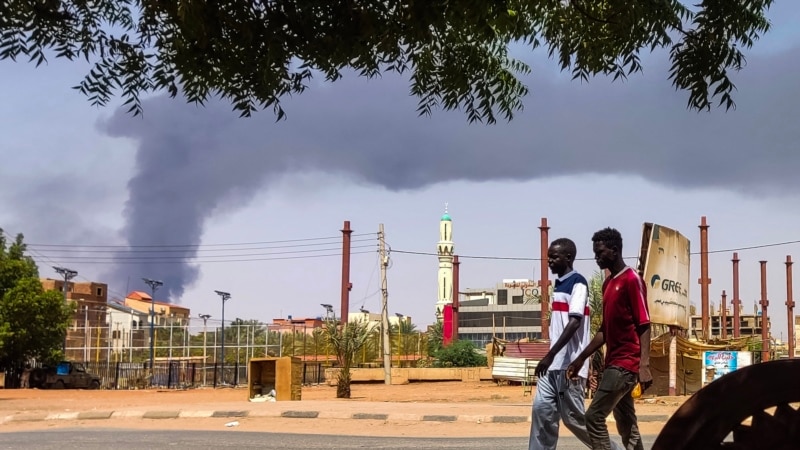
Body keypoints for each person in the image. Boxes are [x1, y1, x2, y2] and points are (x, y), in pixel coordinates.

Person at [567, 227, 652, 450]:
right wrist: (580, 360)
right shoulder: (608, 284)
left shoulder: (631, 280)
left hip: (625, 364)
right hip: (613, 363)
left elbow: (644, 323)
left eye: (600, 253)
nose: (596, 258)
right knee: (627, 424)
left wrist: (644, 364)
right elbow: (604, 330)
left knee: (594, 417)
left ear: (614, 250)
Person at [529, 237, 595, 450]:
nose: (549, 261)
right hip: (552, 366)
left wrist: (550, 355)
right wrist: (551, 357)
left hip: (570, 366)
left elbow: (575, 322)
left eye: (554, 257)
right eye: (548, 257)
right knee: (542, 411)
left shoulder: (578, 282)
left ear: (568, 257)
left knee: (574, 420)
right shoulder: (559, 284)